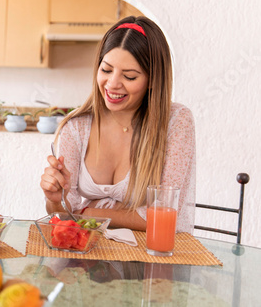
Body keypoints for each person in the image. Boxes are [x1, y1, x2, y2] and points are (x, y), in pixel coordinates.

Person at [40, 16, 195, 233]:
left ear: (153, 80)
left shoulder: (176, 122)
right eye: (106, 70)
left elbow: (164, 215)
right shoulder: (77, 127)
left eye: (130, 76)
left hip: (152, 258)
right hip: (90, 257)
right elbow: (64, 213)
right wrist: (55, 199)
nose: (112, 84)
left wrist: (89, 211)